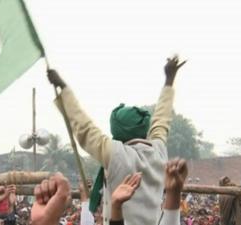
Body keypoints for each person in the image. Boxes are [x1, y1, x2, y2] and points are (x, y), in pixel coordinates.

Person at [47, 55, 186, 225]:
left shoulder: (115, 153)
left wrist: (63, 88)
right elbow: (161, 121)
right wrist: (169, 81)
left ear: (117, 131)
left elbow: (84, 128)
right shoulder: (159, 150)